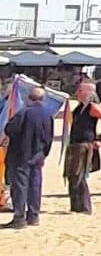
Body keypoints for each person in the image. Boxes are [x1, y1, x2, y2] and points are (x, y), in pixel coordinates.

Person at [3, 87, 54, 227]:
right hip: (38, 155)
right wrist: (44, 154)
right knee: (35, 186)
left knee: (20, 186)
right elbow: (49, 137)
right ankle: (33, 216)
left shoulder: (24, 113)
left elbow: (10, 129)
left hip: (22, 154)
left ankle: (19, 217)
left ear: (29, 98)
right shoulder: (47, 114)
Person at [62, 76, 101, 213]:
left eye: (80, 90)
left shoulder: (92, 107)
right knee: (71, 175)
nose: (77, 93)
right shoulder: (79, 108)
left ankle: (84, 207)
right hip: (75, 143)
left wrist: (100, 138)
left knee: (80, 176)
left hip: (85, 144)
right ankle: (75, 206)